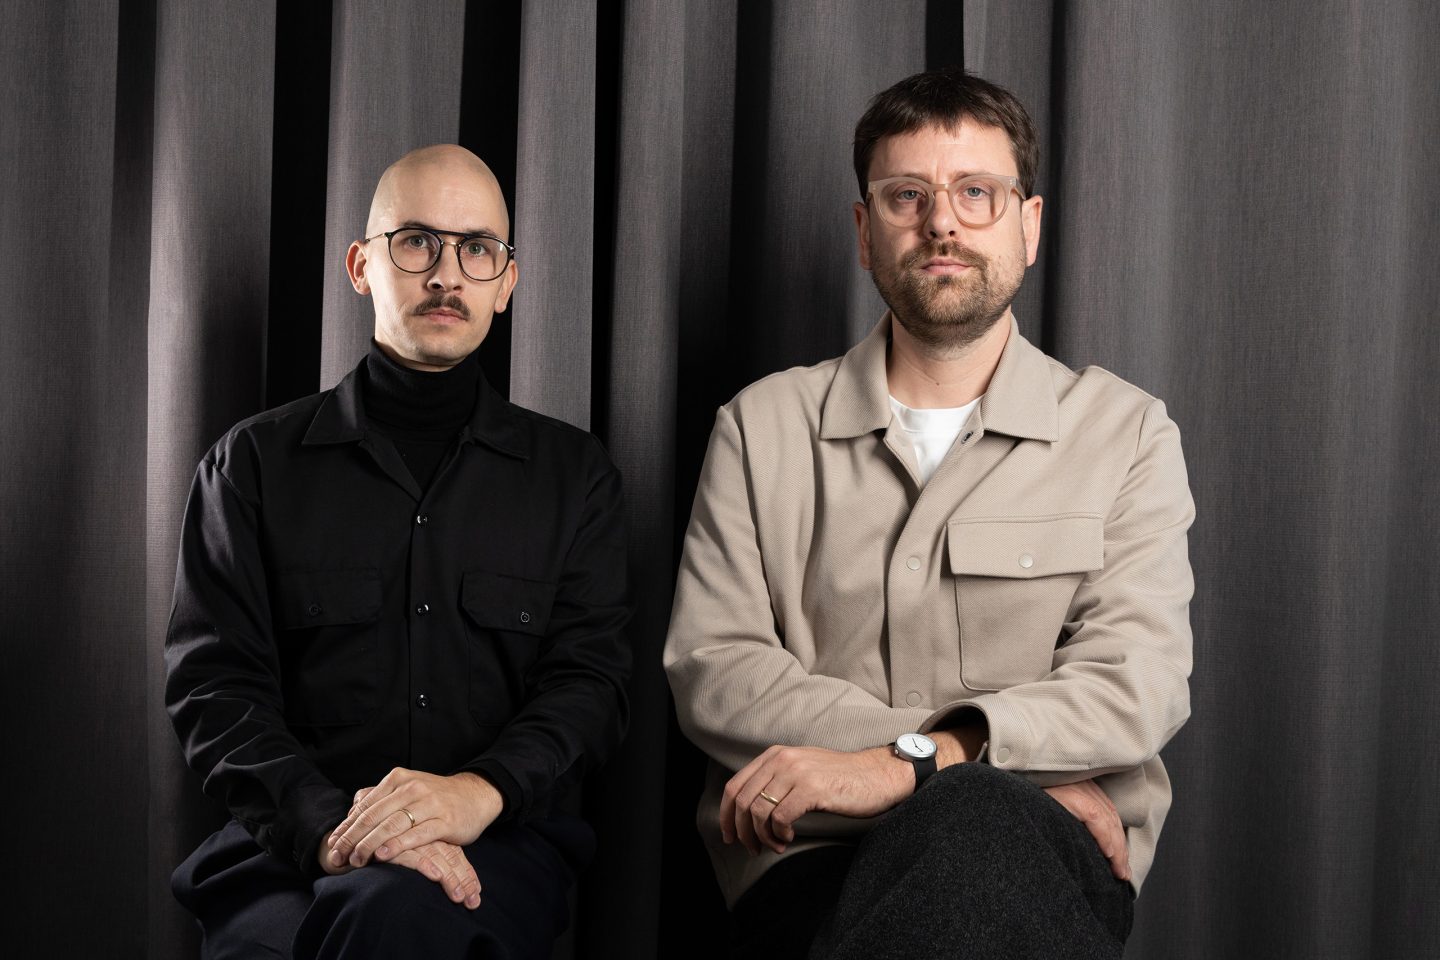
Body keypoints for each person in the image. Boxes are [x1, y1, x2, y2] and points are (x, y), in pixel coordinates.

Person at [664, 67, 1194, 959]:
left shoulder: (1128, 434)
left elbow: (1135, 683)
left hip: (1043, 855)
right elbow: (717, 668)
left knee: (980, 824)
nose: (941, 222)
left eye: (976, 193)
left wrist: (909, 768)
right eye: (907, 196)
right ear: (864, 230)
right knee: (976, 812)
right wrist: (982, 765)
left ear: (1029, 225)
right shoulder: (760, 428)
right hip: (812, 858)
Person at [165, 145, 631, 960]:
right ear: (360, 266)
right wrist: (337, 830)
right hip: (286, 849)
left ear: (507, 283)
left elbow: (590, 687)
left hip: (497, 844)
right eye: (417, 242)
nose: (447, 275)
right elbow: (217, 691)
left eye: (477, 249)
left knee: (395, 916)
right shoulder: (250, 467)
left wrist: (473, 794)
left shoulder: (575, 477)